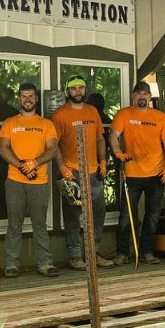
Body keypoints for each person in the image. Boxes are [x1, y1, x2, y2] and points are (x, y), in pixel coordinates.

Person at [50, 75, 113, 271]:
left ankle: (93, 253)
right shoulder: (60, 114)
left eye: (81, 88)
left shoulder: (92, 110)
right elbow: (54, 145)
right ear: (67, 91)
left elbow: (100, 139)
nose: (78, 91)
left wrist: (103, 161)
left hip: (93, 171)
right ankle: (75, 255)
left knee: (98, 212)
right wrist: (63, 168)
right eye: (74, 88)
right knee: (73, 215)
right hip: (72, 171)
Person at [0, 83, 60, 278]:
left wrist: (34, 163)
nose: (27, 99)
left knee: (39, 224)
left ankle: (45, 263)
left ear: (36, 99)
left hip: (39, 180)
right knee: (14, 223)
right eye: (24, 96)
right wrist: (21, 166)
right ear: (19, 99)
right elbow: (3, 148)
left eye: (31, 96)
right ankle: (11, 264)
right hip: (15, 180)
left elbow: (52, 149)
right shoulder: (10, 123)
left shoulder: (46, 124)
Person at [109, 81, 165, 266]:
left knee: (152, 215)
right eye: (138, 94)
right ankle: (123, 253)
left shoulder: (160, 117)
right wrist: (118, 152)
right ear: (133, 96)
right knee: (126, 216)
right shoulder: (124, 114)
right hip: (132, 174)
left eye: (145, 94)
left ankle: (147, 251)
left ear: (150, 97)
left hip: (156, 174)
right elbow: (113, 135)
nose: (142, 97)